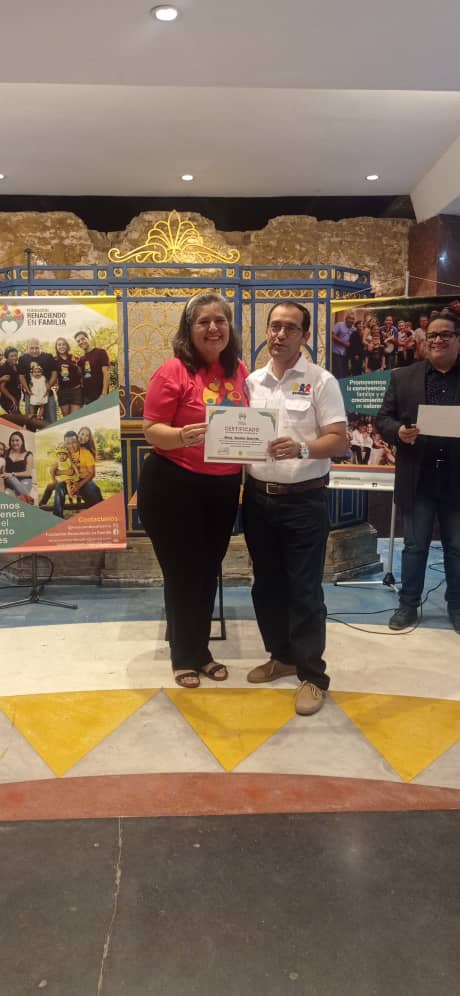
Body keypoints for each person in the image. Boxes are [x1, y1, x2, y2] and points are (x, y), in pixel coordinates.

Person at [138, 292, 248, 688]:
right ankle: (184, 656)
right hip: (173, 485)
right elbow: (152, 429)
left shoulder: (240, 371)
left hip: (221, 487)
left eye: (220, 320)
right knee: (183, 572)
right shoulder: (172, 371)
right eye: (203, 322)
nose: (213, 328)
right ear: (189, 329)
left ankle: (199, 650)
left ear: (229, 328)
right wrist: (182, 435)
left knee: (206, 571)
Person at [242, 301, 347, 716]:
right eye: (274, 326)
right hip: (257, 497)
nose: (279, 334)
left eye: (290, 328)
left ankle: (311, 676)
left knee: (305, 590)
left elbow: (338, 439)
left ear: (304, 335)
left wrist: (303, 446)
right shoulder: (251, 382)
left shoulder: (322, 382)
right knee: (266, 585)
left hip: (304, 499)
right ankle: (281, 656)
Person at [376, 313, 460, 633]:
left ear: (458, 340)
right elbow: (382, 419)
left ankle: (457, 606)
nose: (437, 340)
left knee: (457, 547)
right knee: (414, 546)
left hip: (457, 480)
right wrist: (399, 431)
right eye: (432, 335)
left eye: (445, 335)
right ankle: (408, 604)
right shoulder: (404, 377)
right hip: (418, 478)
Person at [53, 429, 103, 516]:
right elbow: (55, 471)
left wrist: (79, 485)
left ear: (78, 442)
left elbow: (92, 473)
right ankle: (57, 515)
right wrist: (69, 473)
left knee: (93, 488)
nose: (71, 446)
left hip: (84, 481)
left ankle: (102, 511)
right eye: (68, 443)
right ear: (65, 444)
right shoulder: (63, 454)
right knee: (59, 487)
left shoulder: (86, 453)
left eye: (73, 442)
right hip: (68, 481)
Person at [18, 338, 58, 423]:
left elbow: (54, 373)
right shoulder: (22, 358)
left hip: (47, 394)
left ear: (41, 346)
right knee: (30, 420)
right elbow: (21, 376)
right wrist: (28, 391)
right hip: (31, 394)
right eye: (31, 348)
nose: (34, 350)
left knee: (52, 419)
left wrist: (48, 387)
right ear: (27, 348)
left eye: (37, 347)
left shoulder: (48, 356)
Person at [74, 331, 110, 404]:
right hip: (87, 397)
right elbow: (80, 376)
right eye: (78, 341)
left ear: (88, 338)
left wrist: (104, 393)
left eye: (83, 339)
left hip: (100, 395)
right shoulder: (81, 359)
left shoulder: (101, 352)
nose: (81, 342)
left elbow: (106, 373)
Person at [1, 431, 34, 501]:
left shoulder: (28, 454)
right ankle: (30, 501)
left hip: (25, 479)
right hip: (9, 479)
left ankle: (26, 501)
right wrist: (9, 475)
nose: (14, 443)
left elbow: (28, 473)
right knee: (11, 478)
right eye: (12, 440)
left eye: (17, 440)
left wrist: (13, 474)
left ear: (22, 441)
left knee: (21, 494)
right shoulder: (6, 452)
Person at [55, 337, 83, 416]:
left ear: (67, 346)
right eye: (59, 345)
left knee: (75, 417)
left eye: (63, 344)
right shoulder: (54, 360)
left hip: (76, 391)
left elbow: (81, 373)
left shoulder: (74, 358)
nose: (61, 346)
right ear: (56, 347)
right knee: (66, 418)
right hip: (63, 392)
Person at [331, 310, 354, 380]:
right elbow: (332, 336)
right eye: (350, 318)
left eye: (353, 319)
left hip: (346, 355)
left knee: (345, 374)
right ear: (346, 319)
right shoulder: (339, 325)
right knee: (338, 374)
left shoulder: (353, 329)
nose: (351, 320)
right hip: (337, 353)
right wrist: (343, 342)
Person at [0, 347, 22, 415]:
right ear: (7, 357)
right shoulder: (4, 368)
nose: (14, 357)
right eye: (12, 356)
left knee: (16, 418)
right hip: (8, 399)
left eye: (15, 355)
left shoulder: (17, 366)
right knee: (17, 417)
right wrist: (12, 399)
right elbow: (2, 387)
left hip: (16, 396)